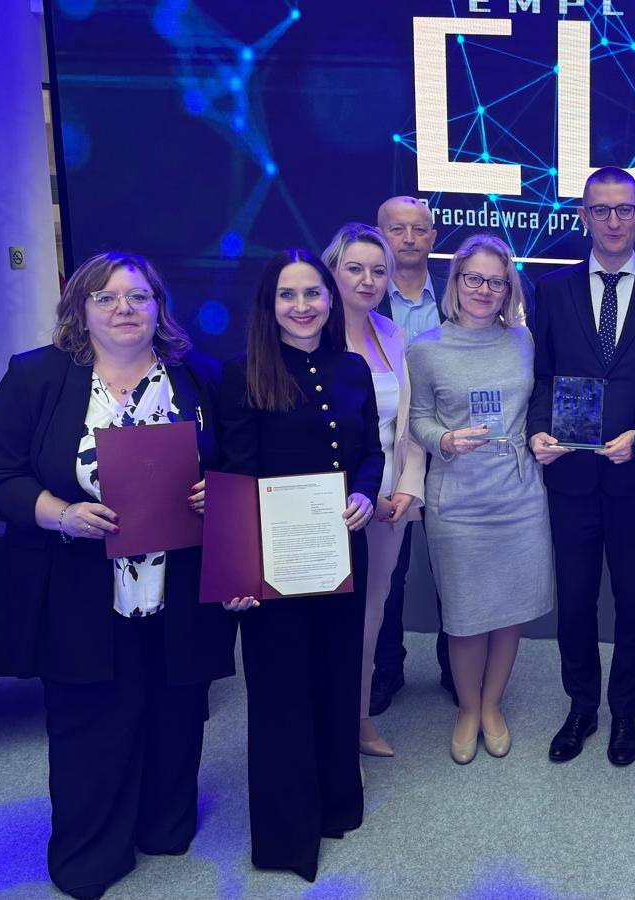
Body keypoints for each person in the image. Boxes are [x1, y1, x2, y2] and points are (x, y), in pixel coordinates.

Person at [0, 252, 238, 900]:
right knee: (90, 723)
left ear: (158, 308)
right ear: (80, 309)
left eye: (139, 297)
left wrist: (218, 491)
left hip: (178, 590)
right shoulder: (38, 377)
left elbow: (235, 465)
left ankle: (162, 826)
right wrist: (60, 513)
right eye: (107, 297)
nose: (124, 309)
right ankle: (91, 853)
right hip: (80, 592)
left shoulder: (198, 377)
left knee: (176, 712)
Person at [217, 249, 383, 882]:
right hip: (272, 562)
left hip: (341, 549)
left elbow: (370, 452)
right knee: (281, 689)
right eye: (287, 295)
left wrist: (365, 493)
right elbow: (234, 475)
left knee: (336, 675)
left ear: (329, 299)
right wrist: (236, 570)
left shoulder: (352, 368)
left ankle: (336, 804)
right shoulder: (242, 374)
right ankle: (287, 836)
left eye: (312, 293)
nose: (302, 306)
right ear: (269, 304)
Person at [528, 166, 635, 766]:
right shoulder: (553, 289)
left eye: (624, 209)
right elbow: (543, 374)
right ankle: (582, 706)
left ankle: (623, 712)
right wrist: (538, 428)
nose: (613, 221)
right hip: (571, 474)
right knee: (575, 599)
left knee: (634, 599)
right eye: (600, 210)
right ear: (584, 216)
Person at [407, 234, 555, 764]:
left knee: (509, 611)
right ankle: (468, 709)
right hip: (458, 502)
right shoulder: (425, 348)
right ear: (456, 282)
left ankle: (492, 705)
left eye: (497, 282)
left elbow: (538, 406)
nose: (484, 290)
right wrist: (443, 440)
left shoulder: (523, 341)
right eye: (474, 278)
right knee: (466, 616)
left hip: (518, 497)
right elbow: (417, 419)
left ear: (509, 289)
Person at [320, 224, 426, 759]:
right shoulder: (310, 336)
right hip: (333, 505)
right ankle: (331, 736)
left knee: (371, 618)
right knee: (329, 624)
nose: (368, 280)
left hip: (389, 508)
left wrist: (405, 489)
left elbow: (406, 423)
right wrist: (365, 493)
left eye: (378, 271)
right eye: (355, 268)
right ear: (331, 271)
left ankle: (359, 721)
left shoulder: (391, 334)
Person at [370, 194, 450, 715]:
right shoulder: (361, 300)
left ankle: (455, 667)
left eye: (419, 229)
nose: (409, 238)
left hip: (450, 450)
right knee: (388, 573)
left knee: (451, 567)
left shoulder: (457, 295)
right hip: (389, 453)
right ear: (381, 234)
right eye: (397, 229)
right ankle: (386, 669)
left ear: (433, 237)